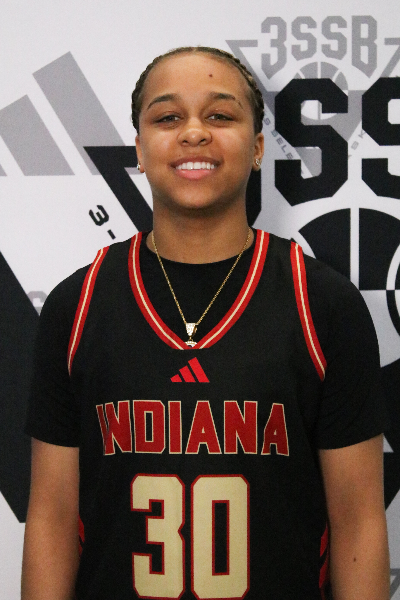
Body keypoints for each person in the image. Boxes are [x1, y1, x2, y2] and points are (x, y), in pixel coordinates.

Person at [22, 46, 389, 600]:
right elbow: (51, 519)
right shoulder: (77, 304)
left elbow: (358, 521)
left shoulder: (323, 304)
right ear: (139, 149)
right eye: (168, 117)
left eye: (220, 115)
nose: (194, 133)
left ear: (258, 147)